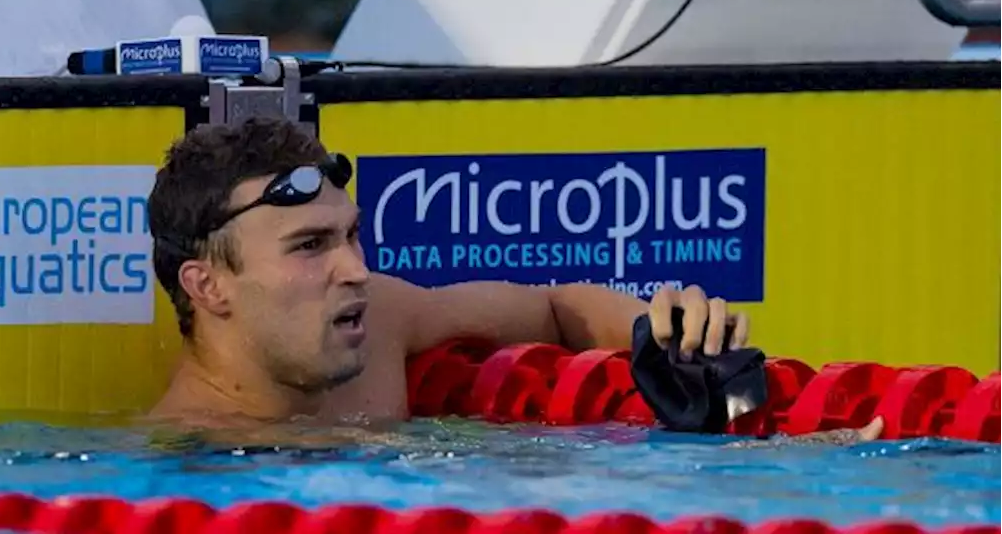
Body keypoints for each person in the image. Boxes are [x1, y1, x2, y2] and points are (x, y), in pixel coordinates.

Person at [146, 117, 881, 444]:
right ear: (208, 285)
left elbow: (557, 306)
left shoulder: (388, 321)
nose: (357, 269)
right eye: (311, 245)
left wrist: (657, 336)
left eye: (353, 235)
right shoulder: (187, 466)